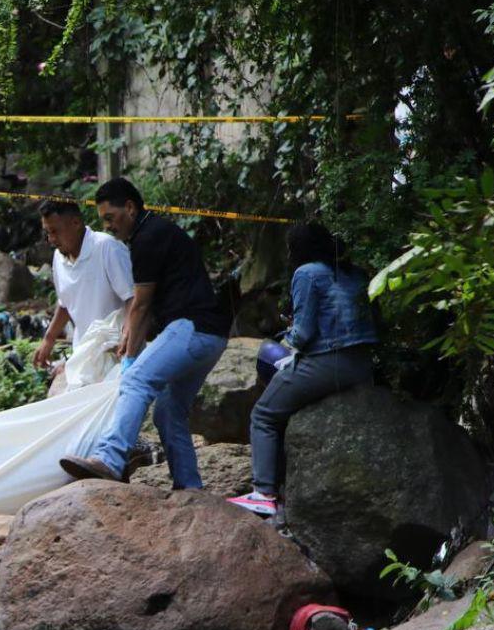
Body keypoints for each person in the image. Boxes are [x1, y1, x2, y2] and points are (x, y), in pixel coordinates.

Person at [60, 177, 230, 488]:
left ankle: (109, 459)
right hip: (212, 336)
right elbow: (145, 310)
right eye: (103, 221)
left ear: (130, 207)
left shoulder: (147, 237)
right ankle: (189, 488)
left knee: (137, 380)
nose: (108, 226)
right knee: (167, 411)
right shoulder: (157, 231)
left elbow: (140, 305)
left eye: (111, 218)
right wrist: (129, 342)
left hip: (191, 328)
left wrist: (129, 359)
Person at [229, 222, 378, 516]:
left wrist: (285, 342)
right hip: (363, 364)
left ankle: (264, 492)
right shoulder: (356, 274)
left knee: (263, 414)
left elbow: (304, 333)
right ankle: (280, 485)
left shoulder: (307, 273)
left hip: (329, 364)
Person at [31, 198, 133, 369]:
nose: (51, 239)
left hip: (117, 352)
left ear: (76, 222)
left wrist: (128, 337)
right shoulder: (58, 257)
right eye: (47, 233)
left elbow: (133, 299)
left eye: (55, 231)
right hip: (84, 354)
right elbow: (65, 303)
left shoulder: (107, 248)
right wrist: (48, 340)